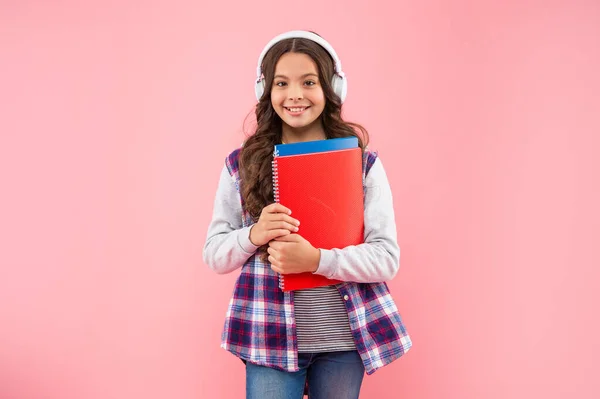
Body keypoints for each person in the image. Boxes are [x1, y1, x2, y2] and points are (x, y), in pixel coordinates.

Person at [203, 30, 412, 399]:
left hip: (344, 341)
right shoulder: (241, 165)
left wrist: (316, 260)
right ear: (265, 91)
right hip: (268, 337)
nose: (295, 94)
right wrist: (253, 234)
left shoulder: (362, 165)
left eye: (309, 81)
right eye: (282, 83)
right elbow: (215, 255)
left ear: (331, 88)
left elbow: (386, 259)